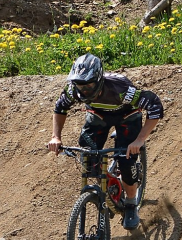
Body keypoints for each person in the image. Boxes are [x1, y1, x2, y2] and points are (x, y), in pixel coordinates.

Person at [47, 53, 164, 230]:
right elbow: (60, 107)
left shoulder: (121, 89)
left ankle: (131, 204)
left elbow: (154, 105)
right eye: (80, 85)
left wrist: (140, 140)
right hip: (98, 117)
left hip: (127, 117)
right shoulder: (73, 90)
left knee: (126, 161)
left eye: (89, 85)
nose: (84, 90)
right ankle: (108, 188)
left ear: (99, 79)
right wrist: (56, 137)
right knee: (88, 160)